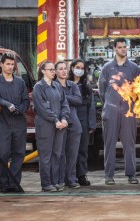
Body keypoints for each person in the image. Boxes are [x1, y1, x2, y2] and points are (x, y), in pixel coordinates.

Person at [98, 37, 140, 185]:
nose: (123, 49)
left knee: (129, 143)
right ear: (114, 49)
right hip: (110, 110)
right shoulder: (107, 68)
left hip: (128, 111)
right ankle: (109, 175)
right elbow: (102, 90)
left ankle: (131, 174)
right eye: (120, 47)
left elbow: (139, 89)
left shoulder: (134, 68)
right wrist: (109, 104)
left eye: (125, 47)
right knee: (109, 144)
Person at [0, 53, 30, 193]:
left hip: (19, 123)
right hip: (3, 122)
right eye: (8, 64)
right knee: (3, 153)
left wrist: (21, 109)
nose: (10, 67)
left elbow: (25, 100)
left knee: (19, 154)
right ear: (1, 64)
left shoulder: (20, 82)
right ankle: (4, 184)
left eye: (12, 64)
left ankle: (14, 183)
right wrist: (6, 104)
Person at [33, 61, 69, 192]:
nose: (53, 72)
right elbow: (42, 108)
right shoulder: (39, 87)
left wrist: (64, 118)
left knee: (57, 155)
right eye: (51, 70)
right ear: (43, 71)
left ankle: (56, 182)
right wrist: (55, 120)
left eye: (54, 69)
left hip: (59, 125)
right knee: (46, 156)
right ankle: (46, 184)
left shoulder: (57, 86)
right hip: (46, 126)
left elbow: (64, 104)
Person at [68, 58, 96, 186]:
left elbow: (91, 106)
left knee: (82, 149)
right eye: (77, 67)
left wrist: (91, 124)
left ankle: (81, 175)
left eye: (81, 68)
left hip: (83, 118)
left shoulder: (86, 86)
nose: (79, 70)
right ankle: (69, 175)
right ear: (72, 68)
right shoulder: (65, 84)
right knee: (69, 149)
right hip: (69, 117)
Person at [55, 61, 82, 189]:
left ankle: (71, 179)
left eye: (65, 68)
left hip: (74, 124)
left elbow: (79, 100)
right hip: (59, 123)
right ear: (55, 72)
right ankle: (60, 180)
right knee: (60, 154)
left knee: (73, 153)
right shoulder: (52, 85)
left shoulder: (72, 85)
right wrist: (68, 97)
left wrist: (63, 96)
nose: (64, 71)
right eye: (60, 69)